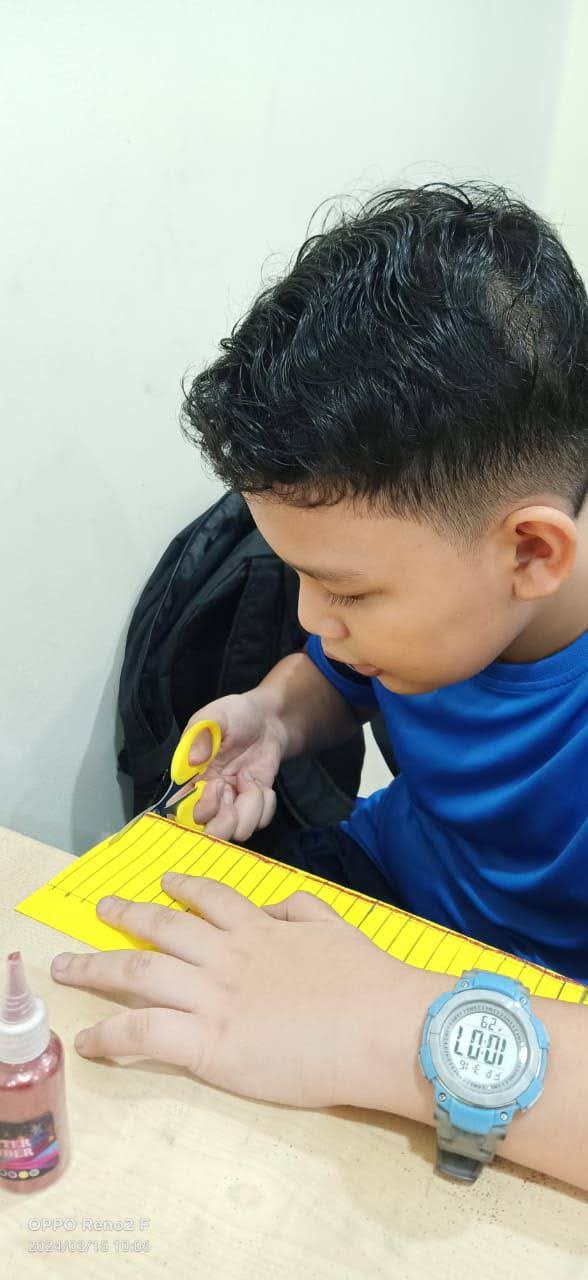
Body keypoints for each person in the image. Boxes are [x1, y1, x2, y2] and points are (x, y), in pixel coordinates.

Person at [51, 183, 588, 1189]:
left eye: (347, 589)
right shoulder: (439, 595)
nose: (310, 615)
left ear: (530, 551)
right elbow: (334, 673)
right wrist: (276, 717)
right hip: (383, 885)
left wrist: (379, 1022)